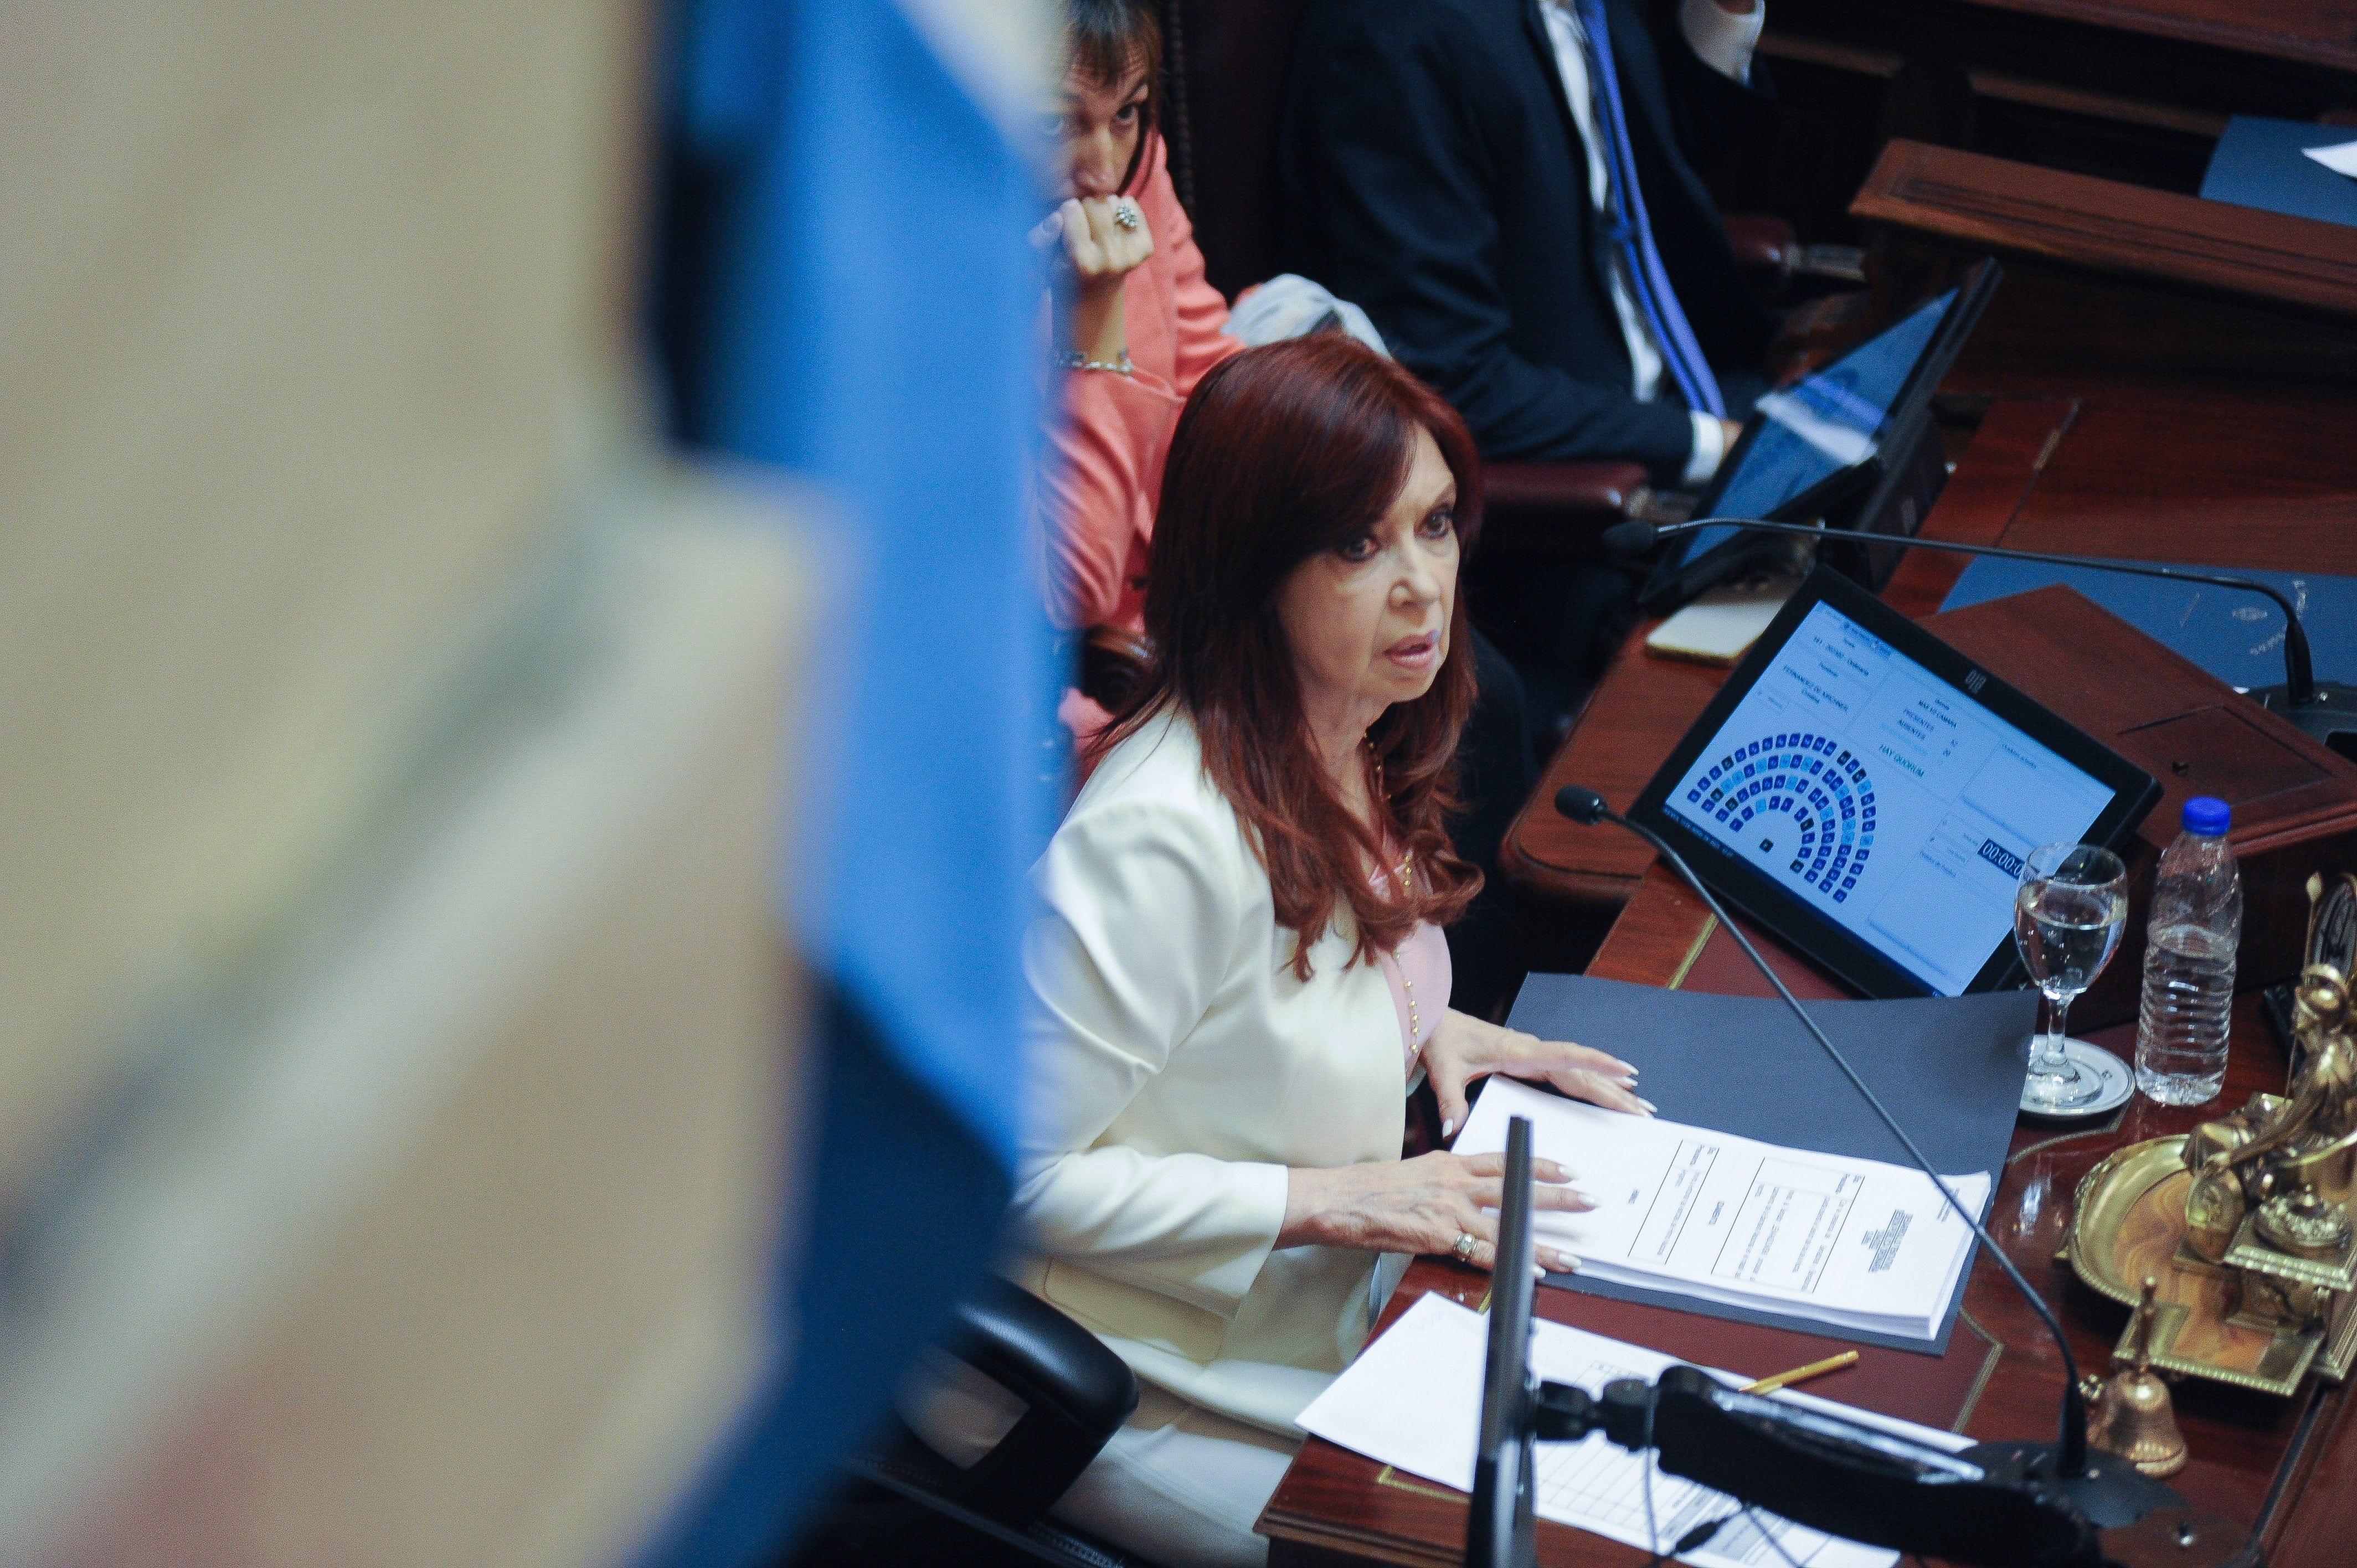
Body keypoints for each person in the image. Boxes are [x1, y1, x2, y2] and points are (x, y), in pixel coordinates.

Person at [909, 336, 1654, 1568]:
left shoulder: (1346, 727)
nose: (1420, 585)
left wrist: (1431, 1026)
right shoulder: (1157, 840)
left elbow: (1259, 1005)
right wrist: (1339, 1200)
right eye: (1356, 547)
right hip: (1131, 1381)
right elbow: (996, 1175)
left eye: (1433, 526)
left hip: (1304, 1315)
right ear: (1252, 573)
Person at [1280, 0, 1776, 488]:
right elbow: (1453, 381)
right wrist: (1709, 444)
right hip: (1579, 492)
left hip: (1693, 390)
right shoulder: (1402, 35)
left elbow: (1649, 161)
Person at [1038, 0, 1239, 643]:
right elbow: (1074, 590)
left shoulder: (1136, 174)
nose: (1100, 172)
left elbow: (1215, 395)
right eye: (1053, 125)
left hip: (1181, 600)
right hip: (1061, 676)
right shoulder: (935, 248)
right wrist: (1095, 320)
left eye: (1126, 111)